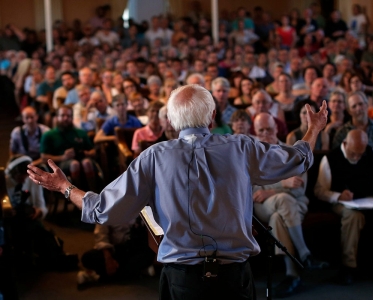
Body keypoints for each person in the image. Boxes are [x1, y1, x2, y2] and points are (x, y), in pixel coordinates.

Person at [27, 84, 329, 300]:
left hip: (184, 279)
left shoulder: (153, 157)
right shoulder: (241, 146)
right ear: (211, 116)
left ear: (171, 121)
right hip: (233, 277)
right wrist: (313, 130)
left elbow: (103, 210)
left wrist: (65, 188)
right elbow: (297, 160)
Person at [253, 112, 329, 297]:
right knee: (283, 200)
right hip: (263, 207)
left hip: (294, 204)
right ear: (254, 132)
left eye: (269, 129)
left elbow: (297, 189)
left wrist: (271, 189)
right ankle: (305, 254)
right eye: (260, 130)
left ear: (276, 128)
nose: (265, 134)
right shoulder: (252, 156)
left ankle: (292, 275)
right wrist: (282, 184)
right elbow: (254, 192)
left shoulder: (291, 151)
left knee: (279, 216)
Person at [314, 129, 373, 285]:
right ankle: (349, 266)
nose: (357, 157)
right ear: (345, 144)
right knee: (353, 216)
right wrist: (337, 196)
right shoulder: (330, 159)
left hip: (371, 200)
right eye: (353, 154)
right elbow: (320, 191)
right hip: (344, 203)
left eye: (361, 154)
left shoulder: (371, 153)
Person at [41, 105, 97, 191]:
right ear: (57, 117)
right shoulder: (48, 135)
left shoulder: (80, 133)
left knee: (87, 162)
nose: (66, 118)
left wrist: (88, 153)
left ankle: (94, 192)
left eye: (68, 116)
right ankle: (77, 194)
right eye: (62, 116)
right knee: (74, 164)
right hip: (61, 164)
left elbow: (93, 150)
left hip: (82, 159)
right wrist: (63, 157)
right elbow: (44, 157)